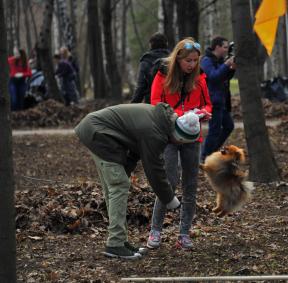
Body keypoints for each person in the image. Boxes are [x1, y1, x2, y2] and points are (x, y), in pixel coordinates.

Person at [74, 102, 202, 259]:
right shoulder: (156, 133)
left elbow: (135, 150)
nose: (179, 145)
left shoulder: (160, 121)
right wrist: (169, 198)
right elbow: (154, 169)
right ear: (179, 137)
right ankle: (115, 244)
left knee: (116, 185)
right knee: (119, 185)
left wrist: (124, 171)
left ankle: (120, 240)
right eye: (182, 142)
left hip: (98, 131)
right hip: (98, 134)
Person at [148, 38, 212, 250]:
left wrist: (203, 114)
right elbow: (155, 103)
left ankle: (184, 233)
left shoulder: (200, 77)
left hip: (193, 137)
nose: (192, 64)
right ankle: (155, 231)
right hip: (169, 135)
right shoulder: (163, 74)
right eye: (188, 61)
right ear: (178, 59)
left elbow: (207, 104)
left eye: (195, 60)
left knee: (191, 184)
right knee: (169, 180)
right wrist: (177, 115)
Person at [200, 36, 236, 162]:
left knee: (229, 126)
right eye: (225, 47)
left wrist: (231, 69)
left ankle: (211, 151)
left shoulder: (219, 60)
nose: (227, 50)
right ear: (217, 47)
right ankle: (205, 157)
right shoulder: (206, 61)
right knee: (214, 131)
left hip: (221, 100)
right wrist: (226, 64)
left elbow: (224, 77)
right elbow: (214, 77)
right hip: (213, 101)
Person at [131, 32, 170, 104]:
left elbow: (141, 86)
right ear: (166, 44)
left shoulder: (146, 60)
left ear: (151, 44)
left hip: (151, 103)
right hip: (172, 103)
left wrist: (133, 105)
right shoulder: (173, 59)